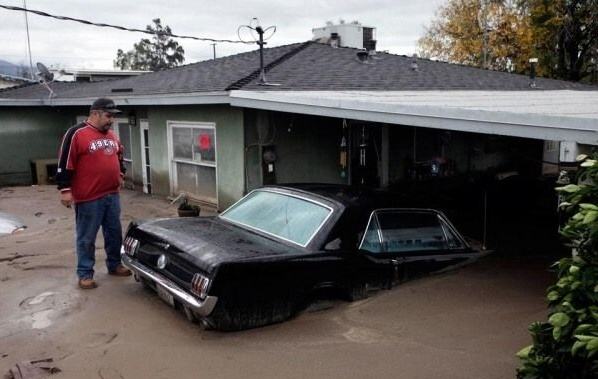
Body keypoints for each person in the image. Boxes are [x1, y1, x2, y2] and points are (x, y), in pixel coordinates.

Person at [57, 97, 131, 289]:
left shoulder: (112, 136)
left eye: (113, 116)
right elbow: (65, 162)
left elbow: (120, 156)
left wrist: (121, 174)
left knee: (114, 233)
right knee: (87, 237)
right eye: (108, 116)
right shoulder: (76, 134)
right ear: (95, 113)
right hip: (89, 197)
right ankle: (85, 274)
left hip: (112, 195)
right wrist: (65, 190)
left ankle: (114, 265)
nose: (111, 120)